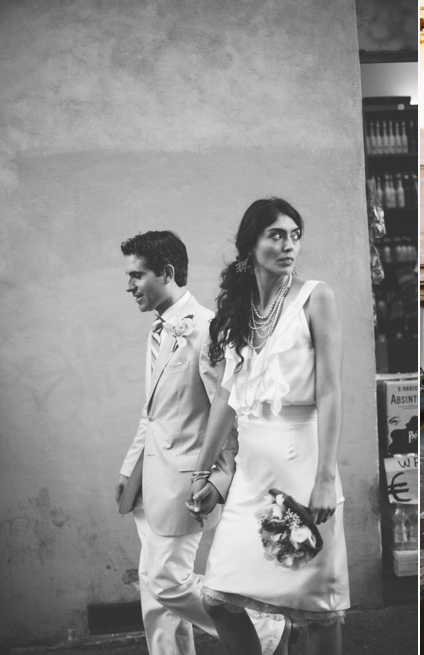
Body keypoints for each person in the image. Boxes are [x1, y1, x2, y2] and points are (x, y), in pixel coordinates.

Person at [188, 198, 350, 655]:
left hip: (304, 462)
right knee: (219, 597)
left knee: (316, 608)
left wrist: (325, 478)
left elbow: (331, 391)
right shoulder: (237, 315)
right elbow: (226, 397)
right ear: (250, 244)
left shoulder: (316, 297)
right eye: (276, 235)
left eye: (295, 235)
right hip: (251, 474)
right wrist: (203, 474)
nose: (289, 245)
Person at [116, 231, 283, 655]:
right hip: (148, 482)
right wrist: (128, 470)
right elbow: (151, 413)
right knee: (155, 594)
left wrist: (217, 479)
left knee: (167, 582)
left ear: (167, 273)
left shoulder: (209, 330)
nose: (129, 285)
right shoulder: (157, 331)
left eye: (137, 275)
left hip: (184, 482)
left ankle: (265, 630)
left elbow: (228, 415)